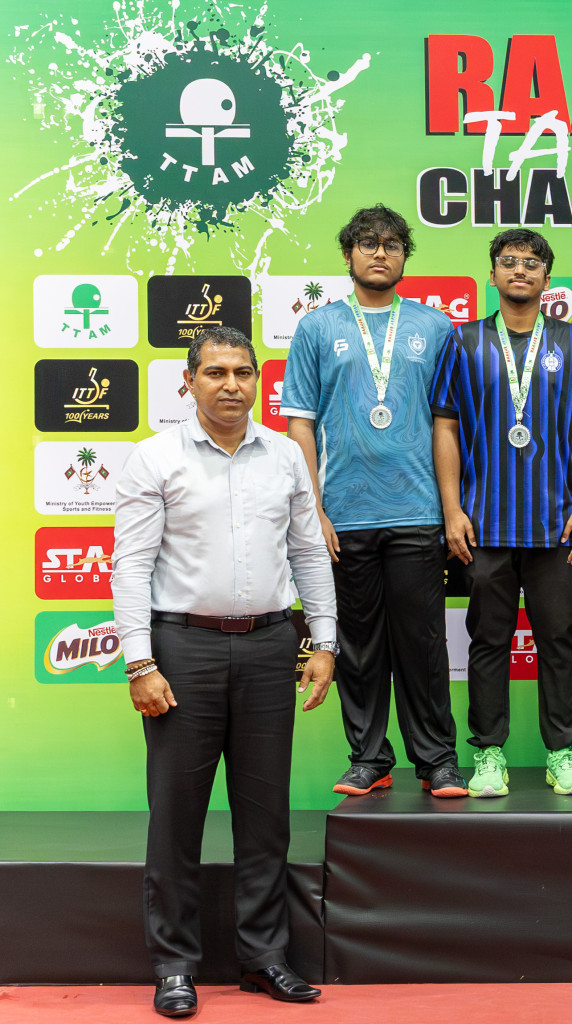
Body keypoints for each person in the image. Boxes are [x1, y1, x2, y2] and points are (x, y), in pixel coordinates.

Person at [113, 326, 335, 1016]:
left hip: (271, 647)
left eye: (243, 372)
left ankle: (264, 958)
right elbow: (131, 566)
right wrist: (139, 661)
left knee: (266, 818)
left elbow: (308, 552)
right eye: (215, 372)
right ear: (189, 382)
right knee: (176, 818)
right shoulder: (155, 458)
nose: (231, 385)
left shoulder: (286, 456)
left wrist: (324, 642)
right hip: (183, 651)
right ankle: (174, 966)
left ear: (257, 379)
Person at [283, 204, 465, 800]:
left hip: (417, 510)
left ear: (405, 255)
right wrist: (313, 510)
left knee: (423, 644)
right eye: (368, 242)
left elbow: (449, 424)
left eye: (392, 243)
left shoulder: (435, 327)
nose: (380, 252)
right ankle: (368, 758)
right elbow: (300, 425)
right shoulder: (316, 328)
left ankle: (437, 761)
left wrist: (450, 507)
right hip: (344, 515)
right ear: (349, 255)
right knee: (358, 646)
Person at [430, 228, 572, 798]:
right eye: (509, 261)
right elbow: (446, 425)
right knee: (488, 643)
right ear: (492, 274)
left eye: (531, 262)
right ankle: (488, 754)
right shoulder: (463, 341)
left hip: (556, 524)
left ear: (547, 277)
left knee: (560, 642)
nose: (520, 270)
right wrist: (452, 509)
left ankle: (563, 753)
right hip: (484, 523)